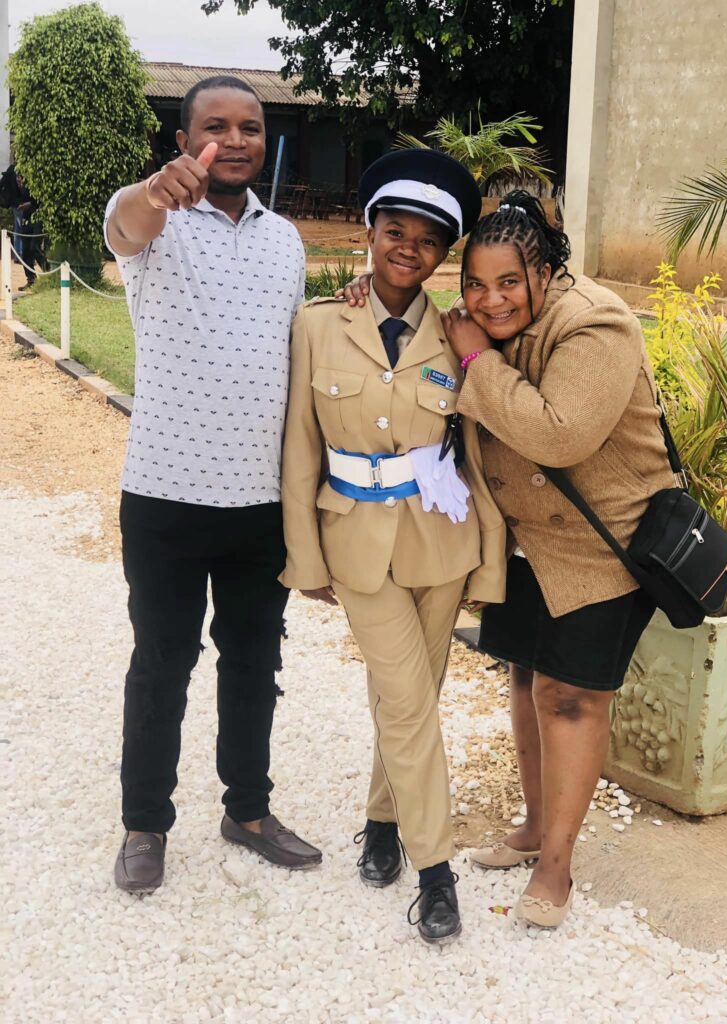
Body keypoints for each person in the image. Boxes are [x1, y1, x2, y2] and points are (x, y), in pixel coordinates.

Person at [280, 150, 506, 944]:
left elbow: (477, 453)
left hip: (442, 541)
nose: (409, 248)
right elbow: (300, 448)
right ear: (370, 231)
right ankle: (435, 873)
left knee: (410, 700)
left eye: (428, 239)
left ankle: (381, 821)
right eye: (395, 230)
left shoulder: (459, 334)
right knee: (407, 700)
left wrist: (488, 561)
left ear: (444, 253)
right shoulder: (319, 324)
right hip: (356, 542)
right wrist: (304, 557)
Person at [104, 75, 321, 893]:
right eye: (215, 127)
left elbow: (294, 346)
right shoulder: (153, 222)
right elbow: (124, 224)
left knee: (254, 663)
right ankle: (144, 823)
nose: (234, 141)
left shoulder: (286, 240)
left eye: (250, 128)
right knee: (162, 663)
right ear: (185, 139)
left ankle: (249, 811)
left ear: (265, 140)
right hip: (165, 493)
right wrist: (153, 191)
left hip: (259, 501)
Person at [439, 191, 674, 927]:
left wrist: (475, 360)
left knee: (571, 698)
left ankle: (557, 871)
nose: (491, 299)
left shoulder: (596, 323)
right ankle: (536, 827)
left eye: (509, 282)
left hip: (602, 547)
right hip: (526, 543)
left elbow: (560, 435)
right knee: (526, 681)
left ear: (544, 272)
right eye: (476, 284)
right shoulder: (489, 320)